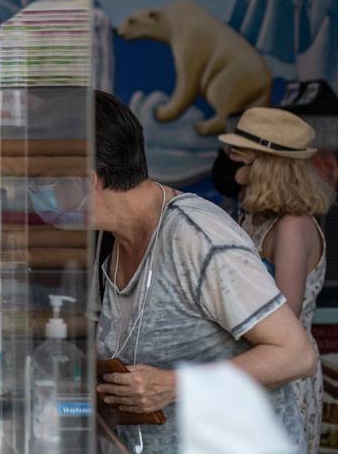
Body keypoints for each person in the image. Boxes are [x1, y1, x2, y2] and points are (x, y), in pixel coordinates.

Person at [88, 91, 315, 453]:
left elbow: (296, 354)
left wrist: (176, 385)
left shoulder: (197, 235)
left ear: (88, 180)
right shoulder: (108, 240)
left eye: (42, 179)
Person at [218, 107, 333, 453]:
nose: (229, 158)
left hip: (280, 375)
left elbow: (286, 317)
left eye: (238, 152)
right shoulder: (251, 217)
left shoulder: (293, 226)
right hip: (249, 369)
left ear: (265, 163)